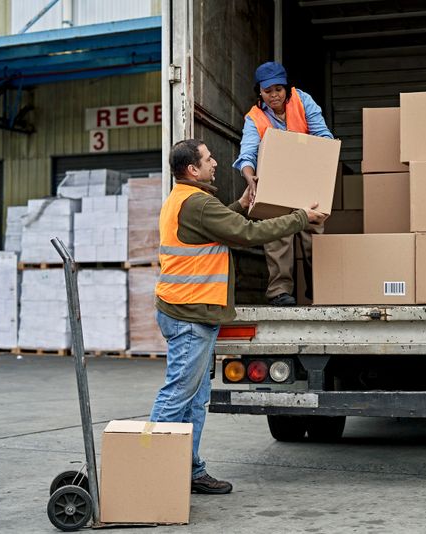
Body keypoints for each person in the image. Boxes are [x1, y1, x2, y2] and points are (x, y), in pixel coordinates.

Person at [151, 139, 327, 494]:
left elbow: (218, 227)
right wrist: (299, 219)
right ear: (192, 170)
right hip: (190, 315)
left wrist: (242, 206)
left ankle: (189, 470)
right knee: (176, 397)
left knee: (195, 399)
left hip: (186, 310)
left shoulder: (183, 199)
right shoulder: (197, 203)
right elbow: (246, 235)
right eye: (208, 158)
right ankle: (152, 478)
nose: (215, 163)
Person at [232, 61, 334, 306]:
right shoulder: (254, 118)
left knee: (313, 235)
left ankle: (319, 288)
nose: (274, 95)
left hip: (307, 177)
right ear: (260, 92)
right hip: (274, 182)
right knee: (277, 235)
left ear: (287, 87)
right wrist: (250, 176)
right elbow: (247, 153)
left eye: (279, 89)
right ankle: (279, 292)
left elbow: (323, 136)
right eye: (268, 91)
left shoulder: (302, 100)